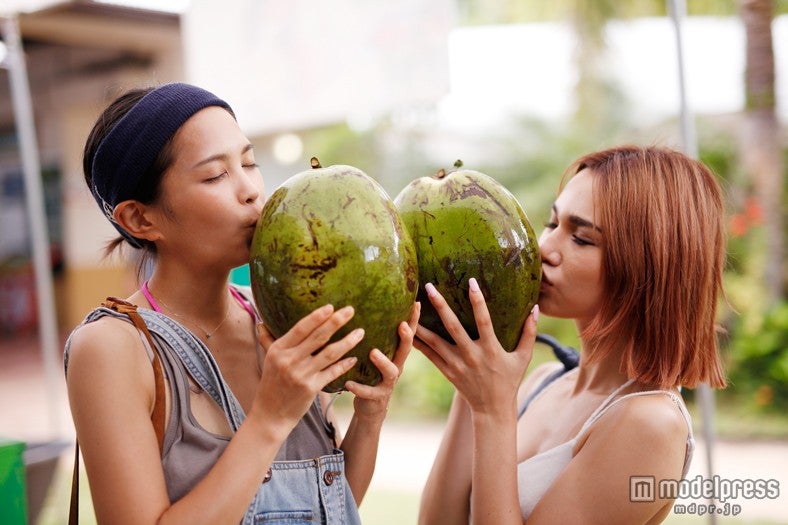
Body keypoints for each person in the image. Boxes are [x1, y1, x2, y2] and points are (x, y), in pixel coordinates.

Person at [64, 82, 419, 524]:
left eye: (249, 163)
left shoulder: (279, 314)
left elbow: (333, 504)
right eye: (216, 175)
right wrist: (269, 420)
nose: (251, 190)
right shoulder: (111, 348)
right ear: (140, 218)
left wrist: (370, 413)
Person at [416, 145, 727, 524]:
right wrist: (472, 387)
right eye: (552, 224)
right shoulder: (542, 383)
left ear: (648, 264)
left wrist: (492, 411)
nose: (544, 248)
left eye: (581, 238)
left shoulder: (650, 424)